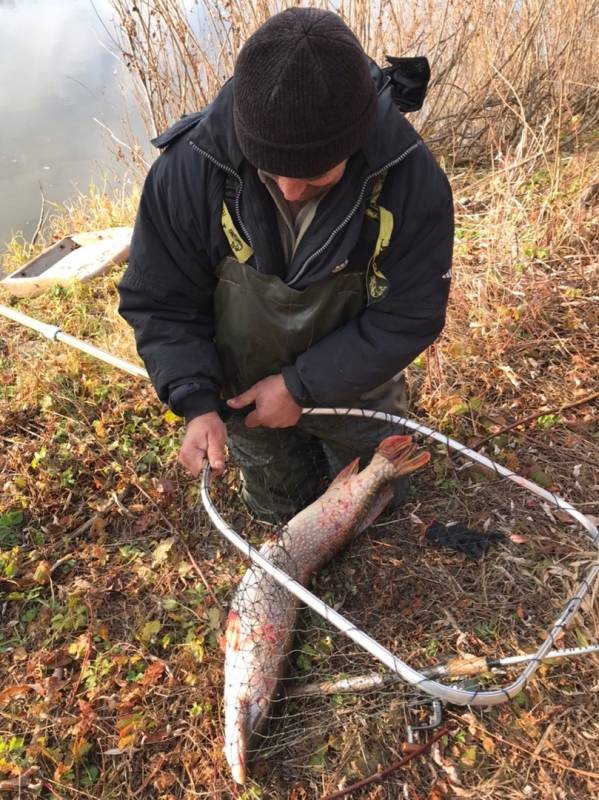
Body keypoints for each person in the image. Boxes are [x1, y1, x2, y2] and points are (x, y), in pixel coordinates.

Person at [118, 7, 453, 522]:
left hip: (354, 382)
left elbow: (410, 313)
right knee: (279, 509)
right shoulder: (189, 169)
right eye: (273, 172)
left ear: (358, 137)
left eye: (317, 174)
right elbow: (161, 300)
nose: (293, 190)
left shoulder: (411, 181)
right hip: (242, 392)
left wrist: (301, 386)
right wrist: (197, 399)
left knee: (378, 506)